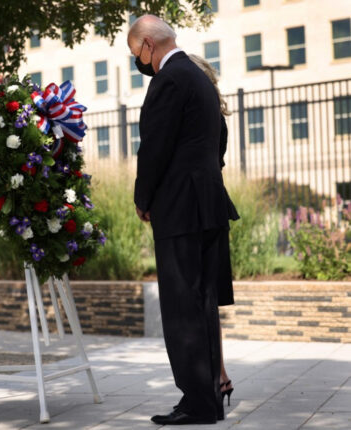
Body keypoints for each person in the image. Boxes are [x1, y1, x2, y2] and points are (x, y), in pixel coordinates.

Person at [127, 15, 239, 425]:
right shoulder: (199, 79)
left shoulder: (169, 80)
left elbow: (153, 148)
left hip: (180, 208)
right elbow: (218, 142)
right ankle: (208, 399)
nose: (139, 63)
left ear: (148, 46)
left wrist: (143, 198)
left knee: (182, 308)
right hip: (209, 203)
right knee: (203, 303)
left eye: (136, 53)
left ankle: (196, 402)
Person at [188, 53, 236, 406]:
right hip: (217, 206)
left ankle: (214, 376)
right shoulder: (217, 120)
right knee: (208, 299)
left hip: (197, 211)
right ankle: (219, 374)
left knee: (199, 297)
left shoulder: (195, 120)